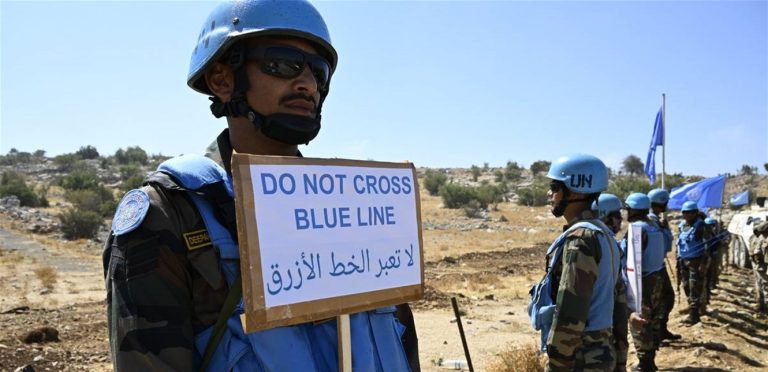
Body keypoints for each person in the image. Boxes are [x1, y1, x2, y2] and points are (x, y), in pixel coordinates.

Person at [102, 1, 418, 371]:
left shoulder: (356, 205)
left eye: (319, 72)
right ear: (222, 80)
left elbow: (399, 341)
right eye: (283, 64)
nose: (308, 84)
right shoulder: (171, 213)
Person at [528, 154, 626, 371]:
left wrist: (556, 364)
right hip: (602, 354)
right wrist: (620, 359)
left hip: (581, 358)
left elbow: (570, 312)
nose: (549, 194)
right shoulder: (605, 235)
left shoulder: (581, 239)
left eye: (555, 187)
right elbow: (619, 303)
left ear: (574, 191)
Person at [622, 193, 667, 371]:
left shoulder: (637, 230)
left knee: (640, 320)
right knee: (653, 319)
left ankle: (645, 362)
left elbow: (632, 262)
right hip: (657, 277)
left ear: (632, 210)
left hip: (642, 281)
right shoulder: (654, 225)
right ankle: (650, 358)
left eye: (627, 209)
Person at [646, 188, 680, 342]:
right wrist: (666, 229)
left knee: (666, 299)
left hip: (657, 266)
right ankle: (656, 333)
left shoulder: (651, 221)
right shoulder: (654, 223)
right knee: (661, 301)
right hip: (655, 268)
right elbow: (667, 246)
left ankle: (661, 330)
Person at [676, 201, 713, 325]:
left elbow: (707, 246)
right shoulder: (682, 226)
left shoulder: (701, 226)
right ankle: (692, 307)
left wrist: (704, 263)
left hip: (696, 261)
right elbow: (679, 244)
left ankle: (694, 315)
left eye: (690, 213)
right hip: (683, 260)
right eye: (685, 213)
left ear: (695, 213)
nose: (687, 215)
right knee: (686, 285)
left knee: (695, 287)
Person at [750, 221, 768, 313]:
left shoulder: (762, 239)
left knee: (765, 288)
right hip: (763, 266)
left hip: (763, 267)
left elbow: (756, 254)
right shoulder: (761, 239)